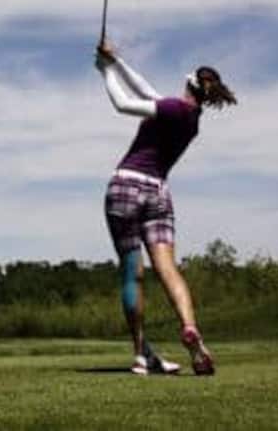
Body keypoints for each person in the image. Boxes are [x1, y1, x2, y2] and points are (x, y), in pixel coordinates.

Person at [94, 40, 237, 375]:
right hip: (158, 193)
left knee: (133, 272)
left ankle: (140, 354)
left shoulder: (173, 108)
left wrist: (104, 73)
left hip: (126, 187)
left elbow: (123, 104)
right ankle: (189, 326)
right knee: (168, 269)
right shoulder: (191, 118)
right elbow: (145, 90)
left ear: (189, 83)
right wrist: (115, 62)